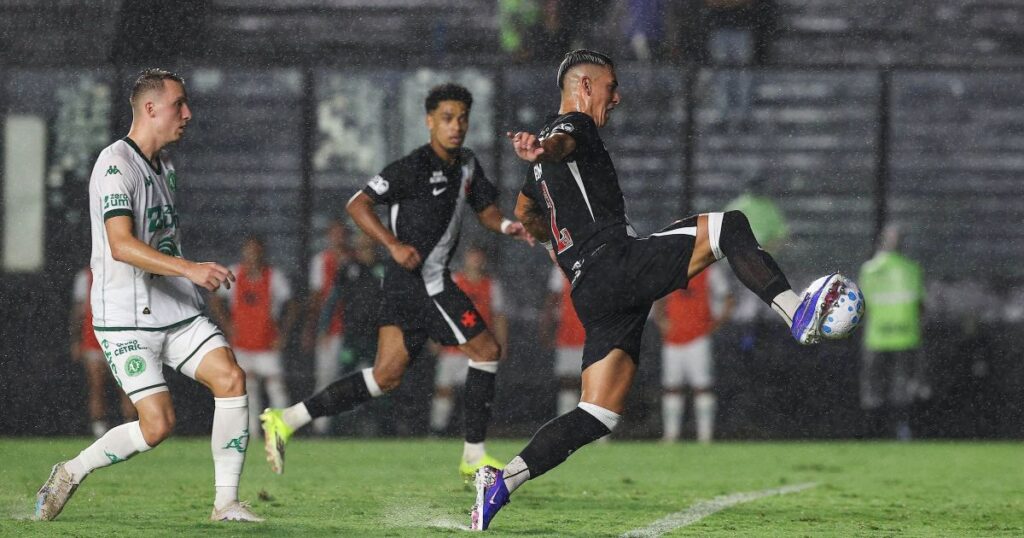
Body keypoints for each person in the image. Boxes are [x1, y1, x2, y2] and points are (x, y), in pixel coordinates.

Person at [472, 49, 848, 530]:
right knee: (728, 226)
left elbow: (527, 213)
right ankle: (797, 313)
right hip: (617, 263)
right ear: (584, 86)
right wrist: (550, 148)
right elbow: (565, 140)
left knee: (597, 413)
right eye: (611, 85)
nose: (618, 95)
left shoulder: (540, 165)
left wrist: (549, 236)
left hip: (590, 291)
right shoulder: (573, 127)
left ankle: (500, 482)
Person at [261, 83, 534, 481]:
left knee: (386, 375)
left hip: (410, 285)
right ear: (429, 121)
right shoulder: (413, 167)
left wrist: (509, 225)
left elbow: (485, 210)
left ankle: (287, 419)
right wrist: (391, 243)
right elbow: (357, 204)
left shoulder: (469, 164)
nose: (455, 126)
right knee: (487, 349)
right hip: (425, 282)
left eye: (462, 118)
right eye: (446, 118)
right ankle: (474, 456)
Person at [36, 69, 261, 522]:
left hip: (174, 309)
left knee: (232, 379)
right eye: (180, 104)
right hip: (125, 318)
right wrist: (190, 268)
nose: (188, 113)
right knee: (157, 425)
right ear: (151, 108)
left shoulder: (166, 167)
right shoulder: (115, 164)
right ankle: (73, 470)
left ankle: (226, 504)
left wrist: (187, 275)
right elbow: (121, 246)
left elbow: (162, 244)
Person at [210, 236, 297, 438]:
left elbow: (292, 305)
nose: (252, 255)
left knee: (276, 388)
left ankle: (279, 432)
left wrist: (283, 333)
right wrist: (227, 325)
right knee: (248, 390)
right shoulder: (234, 274)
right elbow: (215, 299)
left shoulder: (274, 277)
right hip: (242, 343)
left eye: (256, 251)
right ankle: (252, 433)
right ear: (243, 253)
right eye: (249, 251)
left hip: (268, 343)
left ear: (262, 252)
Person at [430, 245, 509, 435]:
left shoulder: (492, 285)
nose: (475, 260)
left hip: (480, 349)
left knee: (477, 393)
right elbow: (440, 313)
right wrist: (435, 338)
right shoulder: (455, 281)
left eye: (478, 256)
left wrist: (502, 344)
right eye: (472, 256)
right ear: (465, 258)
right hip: (454, 346)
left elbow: (498, 317)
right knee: (444, 390)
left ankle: (474, 433)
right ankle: (437, 430)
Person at [859, 224, 927, 441]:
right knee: (902, 387)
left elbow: (862, 307)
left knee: (874, 388)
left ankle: (874, 431)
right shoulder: (912, 269)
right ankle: (902, 430)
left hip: (877, 337)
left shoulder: (869, 270)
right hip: (906, 336)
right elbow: (920, 305)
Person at [653, 263, 734, 443]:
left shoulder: (710, 271)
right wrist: (661, 320)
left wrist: (713, 325)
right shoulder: (671, 269)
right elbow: (657, 296)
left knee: (702, 387)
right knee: (672, 388)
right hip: (673, 339)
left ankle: (705, 436)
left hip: (698, 338)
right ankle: (671, 436)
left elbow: (728, 299)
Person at [315, 232, 387, 434]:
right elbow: (333, 300)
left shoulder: (385, 268)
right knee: (344, 379)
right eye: (361, 240)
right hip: (353, 336)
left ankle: (382, 428)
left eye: (367, 239)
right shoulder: (348, 268)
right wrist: (324, 327)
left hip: (377, 337)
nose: (363, 243)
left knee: (381, 380)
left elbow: (396, 300)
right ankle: (334, 428)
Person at [70, 267, 138, 438]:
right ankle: (99, 428)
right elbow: (79, 311)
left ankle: (131, 425)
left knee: (128, 387)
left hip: (121, 341)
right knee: (97, 386)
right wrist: (76, 340)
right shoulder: (85, 276)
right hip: (93, 341)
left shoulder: (126, 273)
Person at [304, 220, 350, 434]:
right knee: (325, 377)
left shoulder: (355, 260)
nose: (338, 239)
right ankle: (321, 427)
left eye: (341, 234)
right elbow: (317, 298)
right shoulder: (321, 261)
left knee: (351, 377)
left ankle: (349, 425)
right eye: (334, 234)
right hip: (330, 330)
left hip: (352, 330)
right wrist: (314, 328)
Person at [540, 265, 586, 417]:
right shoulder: (561, 265)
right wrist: (546, 329)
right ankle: (567, 424)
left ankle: (598, 431)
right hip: (568, 334)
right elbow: (551, 300)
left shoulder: (603, 262)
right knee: (568, 381)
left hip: (594, 334)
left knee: (596, 381)